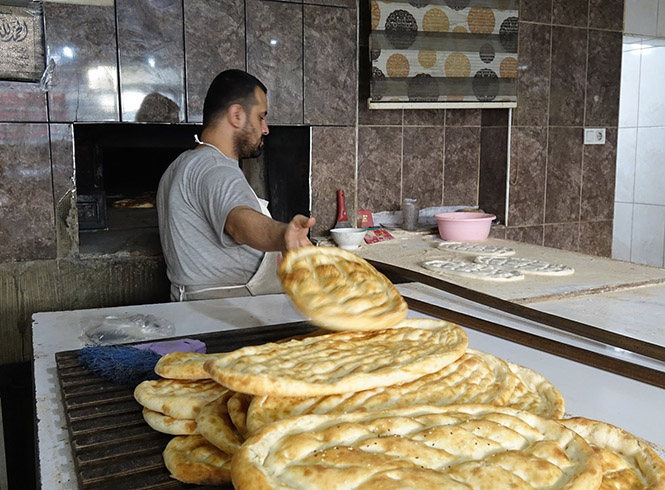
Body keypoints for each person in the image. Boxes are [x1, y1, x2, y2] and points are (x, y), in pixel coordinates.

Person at [157, 69, 315, 301]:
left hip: (197, 307)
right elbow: (238, 222)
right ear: (237, 115)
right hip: (229, 310)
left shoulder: (182, 164)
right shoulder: (216, 168)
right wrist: (284, 234)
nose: (265, 129)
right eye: (261, 116)